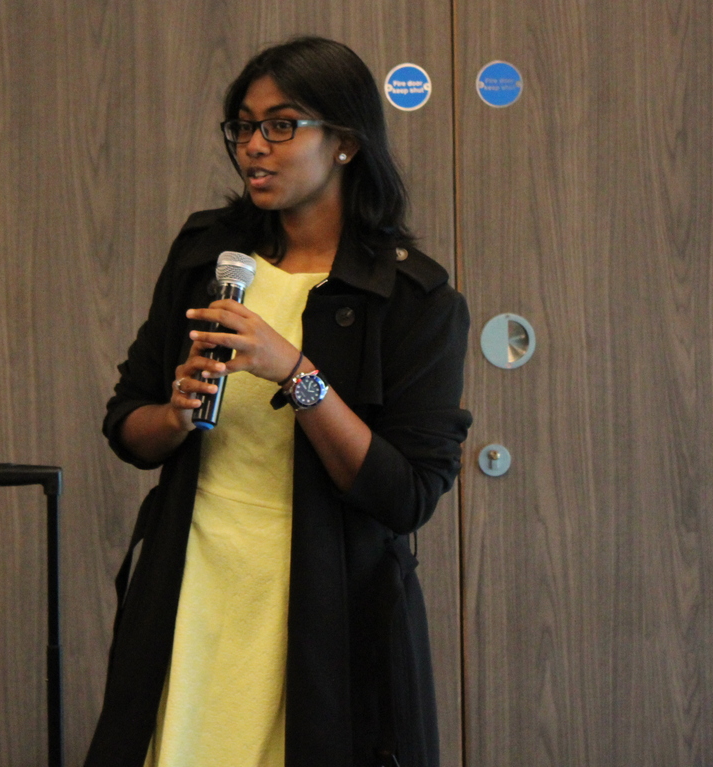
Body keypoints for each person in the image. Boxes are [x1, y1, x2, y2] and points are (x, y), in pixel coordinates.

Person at [86, 37, 471, 767]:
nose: (254, 147)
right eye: (243, 125)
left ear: (346, 143)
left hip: (327, 608)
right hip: (192, 581)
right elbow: (126, 423)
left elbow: (408, 493)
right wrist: (173, 415)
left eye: (282, 125)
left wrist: (296, 372)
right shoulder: (207, 256)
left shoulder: (415, 299)